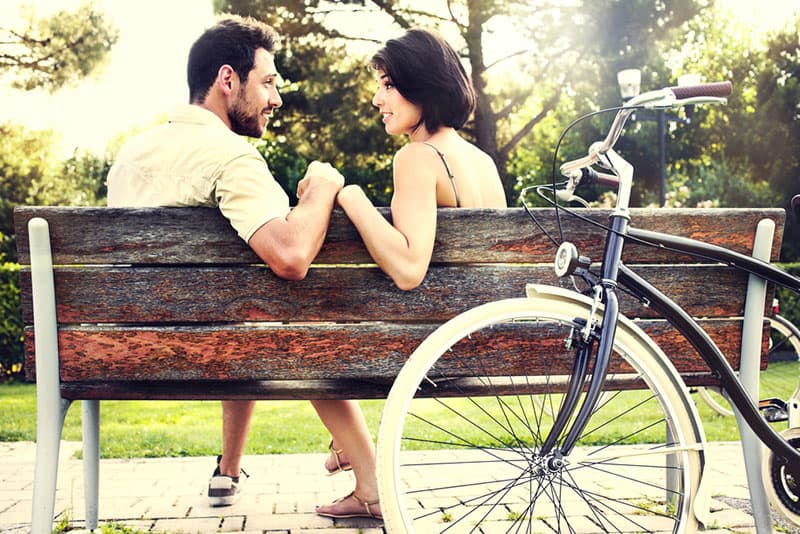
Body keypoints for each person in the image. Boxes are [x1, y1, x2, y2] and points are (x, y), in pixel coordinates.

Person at [106, 15, 346, 507]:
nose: (276, 99)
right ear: (228, 79)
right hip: (219, 349)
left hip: (120, 353)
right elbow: (292, 256)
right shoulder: (229, 157)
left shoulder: (130, 154)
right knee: (259, 308)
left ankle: (227, 469)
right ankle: (352, 454)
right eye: (269, 83)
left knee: (236, 307)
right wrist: (322, 187)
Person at [313, 27, 506, 520]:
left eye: (388, 85)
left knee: (310, 349)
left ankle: (361, 469)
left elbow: (407, 269)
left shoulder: (418, 158)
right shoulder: (480, 159)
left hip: (434, 344)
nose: (377, 98)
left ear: (423, 87)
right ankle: (352, 463)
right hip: (485, 334)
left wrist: (351, 197)